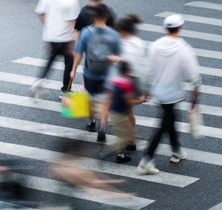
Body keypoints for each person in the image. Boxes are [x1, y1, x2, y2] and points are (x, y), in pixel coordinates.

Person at [137, 14, 201, 175]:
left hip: (159, 92)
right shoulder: (184, 49)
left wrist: (145, 90)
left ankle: (177, 150)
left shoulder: (154, 46)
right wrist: (195, 98)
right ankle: (146, 159)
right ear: (180, 28)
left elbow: (148, 71)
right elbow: (194, 76)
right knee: (165, 124)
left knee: (170, 119)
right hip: (174, 93)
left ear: (166, 28)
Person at [70, 3, 121, 142]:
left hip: (90, 73)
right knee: (105, 102)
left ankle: (91, 123)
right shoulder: (113, 34)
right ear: (107, 16)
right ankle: (103, 126)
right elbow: (119, 56)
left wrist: (73, 70)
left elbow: (79, 53)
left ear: (93, 16)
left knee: (90, 100)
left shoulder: (86, 32)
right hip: (107, 74)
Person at [31, 0, 80, 97]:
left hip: (51, 36)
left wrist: (49, 27)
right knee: (69, 64)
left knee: (51, 58)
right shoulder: (72, 1)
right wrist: (73, 40)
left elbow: (41, 13)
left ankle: (41, 79)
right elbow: (73, 21)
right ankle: (66, 90)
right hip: (66, 37)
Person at [114, 14, 147, 148]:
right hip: (136, 80)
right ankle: (131, 136)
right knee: (128, 110)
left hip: (127, 81)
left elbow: (124, 65)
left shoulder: (125, 45)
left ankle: (131, 137)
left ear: (123, 31)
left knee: (125, 111)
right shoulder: (139, 42)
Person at [107, 61, 148, 163]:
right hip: (120, 114)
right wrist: (142, 100)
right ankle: (116, 153)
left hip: (115, 112)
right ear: (127, 71)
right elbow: (130, 101)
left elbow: (110, 96)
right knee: (124, 136)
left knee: (126, 133)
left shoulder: (115, 81)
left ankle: (121, 153)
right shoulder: (126, 85)